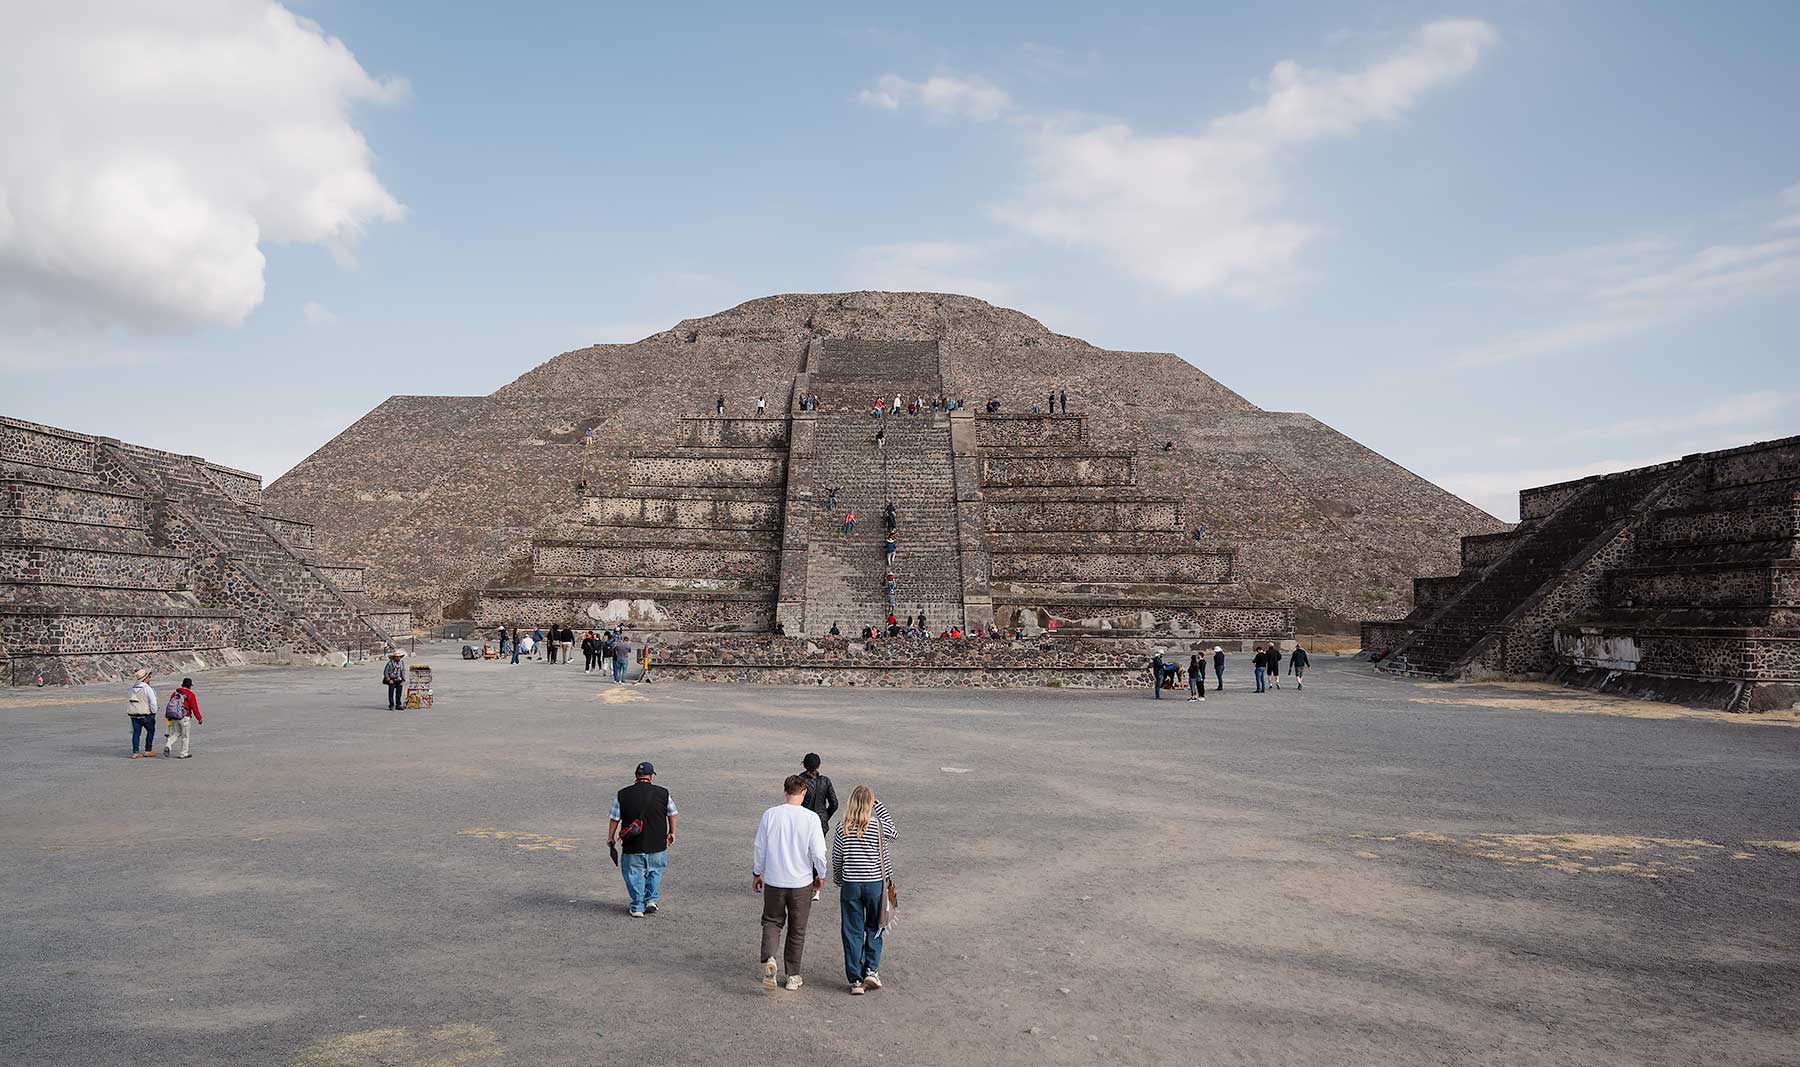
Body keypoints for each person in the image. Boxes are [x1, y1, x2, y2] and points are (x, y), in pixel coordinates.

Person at [753, 774, 828, 991]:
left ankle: (770, 958)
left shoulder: (770, 815)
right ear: (803, 793)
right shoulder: (811, 818)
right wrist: (821, 875)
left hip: (774, 880)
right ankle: (793, 976)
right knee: (797, 929)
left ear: (785, 792)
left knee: (771, 921)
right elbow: (818, 853)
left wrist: (757, 872)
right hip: (801, 882)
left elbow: (760, 847)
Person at [832, 785, 897, 995]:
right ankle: (871, 970)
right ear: (870, 804)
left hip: (851, 884)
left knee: (852, 930)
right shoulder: (878, 826)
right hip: (875, 883)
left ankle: (856, 979)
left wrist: (839, 880)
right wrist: (880, 807)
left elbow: (837, 858)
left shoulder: (842, 827)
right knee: (876, 926)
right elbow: (894, 833)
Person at [609, 761, 676, 918]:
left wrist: (610, 837)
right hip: (657, 843)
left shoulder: (622, 794)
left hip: (633, 844)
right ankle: (651, 900)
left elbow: (614, 818)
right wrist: (672, 832)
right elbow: (672, 813)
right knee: (655, 871)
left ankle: (637, 906)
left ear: (636, 776)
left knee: (634, 874)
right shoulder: (663, 793)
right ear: (651, 776)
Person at [799, 753, 839, 900]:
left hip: (803, 820)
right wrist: (825, 817)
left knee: (802, 851)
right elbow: (834, 803)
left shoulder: (800, 780)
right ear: (819, 765)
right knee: (818, 852)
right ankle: (816, 888)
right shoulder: (825, 781)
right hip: (821, 821)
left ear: (804, 765)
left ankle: (802, 882)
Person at [161, 677, 202, 757]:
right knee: (185, 736)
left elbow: (170, 705)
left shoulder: (175, 693)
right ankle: (184, 753)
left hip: (174, 717)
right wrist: (199, 718)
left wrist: (168, 716)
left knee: (175, 734)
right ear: (190, 686)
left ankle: (168, 744)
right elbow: (194, 708)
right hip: (185, 718)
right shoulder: (190, 694)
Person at [126, 668, 157, 758]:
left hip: (134, 714)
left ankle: (135, 752)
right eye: (149, 677)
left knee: (136, 733)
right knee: (151, 731)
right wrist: (153, 712)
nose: (149, 679)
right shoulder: (147, 688)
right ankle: (148, 750)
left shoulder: (133, 688)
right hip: (145, 714)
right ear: (145, 678)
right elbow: (153, 702)